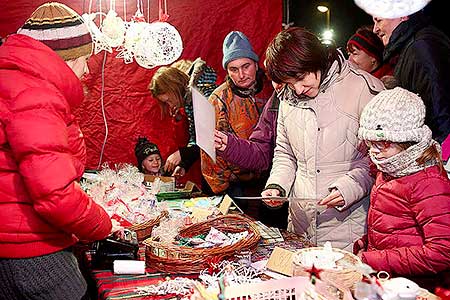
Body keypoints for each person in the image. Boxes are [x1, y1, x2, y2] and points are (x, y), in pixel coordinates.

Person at [0, 2, 112, 299]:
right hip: (32, 252)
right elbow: (55, 195)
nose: (87, 68)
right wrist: (103, 224)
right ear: (64, 59)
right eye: (83, 59)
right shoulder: (34, 93)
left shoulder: (15, 81)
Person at [261, 27, 384, 251]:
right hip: (300, 223)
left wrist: (349, 188)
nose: (297, 89)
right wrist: (277, 185)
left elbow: (381, 158)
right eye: (289, 83)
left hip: (347, 225)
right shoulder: (288, 96)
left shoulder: (362, 89)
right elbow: (285, 152)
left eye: (300, 78)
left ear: (316, 59)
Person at [355, 87, 450, 291]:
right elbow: (397, 227)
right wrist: (368, 244)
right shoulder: (390, 166)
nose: (374, 153)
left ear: (407, 141)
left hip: (414, 287)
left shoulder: (429, 183)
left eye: (383, 144)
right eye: (370, 144)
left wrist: (376, 259)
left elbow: (443, 251)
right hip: (388, 280)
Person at [201, 31, 268, 199]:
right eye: (234, 69)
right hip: (237, 185)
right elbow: (209, 151)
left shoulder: (272, 89)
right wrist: (225, 190)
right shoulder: (218, 100)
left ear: (256, 64)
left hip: (272, 177)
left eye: (246, 66)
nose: (241, 75)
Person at [371, 8, 450, 146]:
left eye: (379, 20)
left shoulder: (422, 47)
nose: (375, 29)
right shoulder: (412, 47)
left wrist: (442, 160)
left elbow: (442, 112)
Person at [214, 82, 288, 228]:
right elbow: (262, 152)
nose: (278, 84)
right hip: (281, 196)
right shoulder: (276, 99)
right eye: (274, 78)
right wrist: (229, 145)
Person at [149, 62, 217, 187]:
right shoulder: (190, 99)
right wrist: (184, 164)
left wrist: (182, 154)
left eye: (169, 100)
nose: (170, 105)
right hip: (212, 169)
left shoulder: (202, 95)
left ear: (174, 88)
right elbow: (196, 137)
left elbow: (213, 137)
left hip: (226, 170)